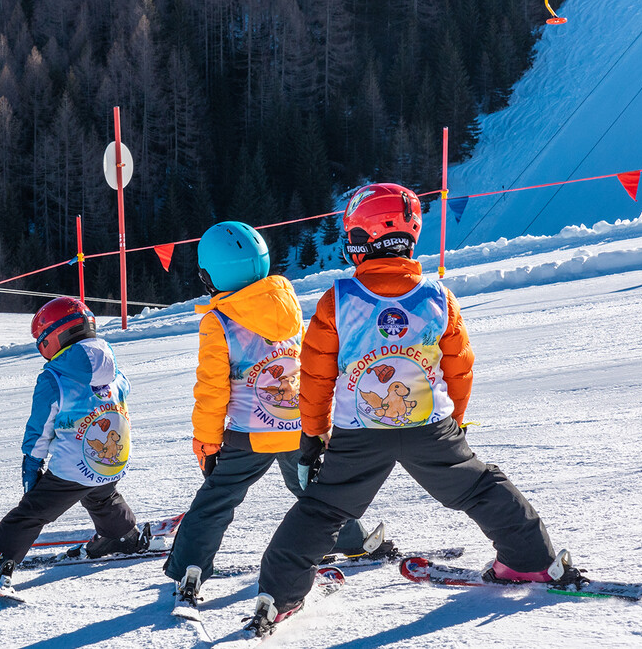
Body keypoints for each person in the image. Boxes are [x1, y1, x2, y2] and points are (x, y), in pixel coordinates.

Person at [247, 183, 579, 634]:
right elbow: (459, 367)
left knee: (323, 509)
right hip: (429, 426)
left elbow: (316, 374)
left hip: (358, 431)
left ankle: (279, 595)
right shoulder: (437, 297)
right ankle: (531, 560)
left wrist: (313, 432)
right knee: (481, 487)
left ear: (364, 239)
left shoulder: (337, 299)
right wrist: (455, 420)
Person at [163, 221, 389, 610]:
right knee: (313, 492)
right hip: (297, 427)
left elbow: (212, 390)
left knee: (217, 499)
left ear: (209, 275)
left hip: (247, 433)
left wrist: (207, 440)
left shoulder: (217, 322)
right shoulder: (286, 307)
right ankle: (354, 542)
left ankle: (190, 568)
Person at [0, 297, 144, 592]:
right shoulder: (114, 369)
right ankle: (122, 535)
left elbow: (41, 428)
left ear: (52, 338)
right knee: (100, 494)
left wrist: (32, 462)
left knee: (33, 511)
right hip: (113, 459)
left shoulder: (54, 378)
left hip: (74, 466)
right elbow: (122, 392)